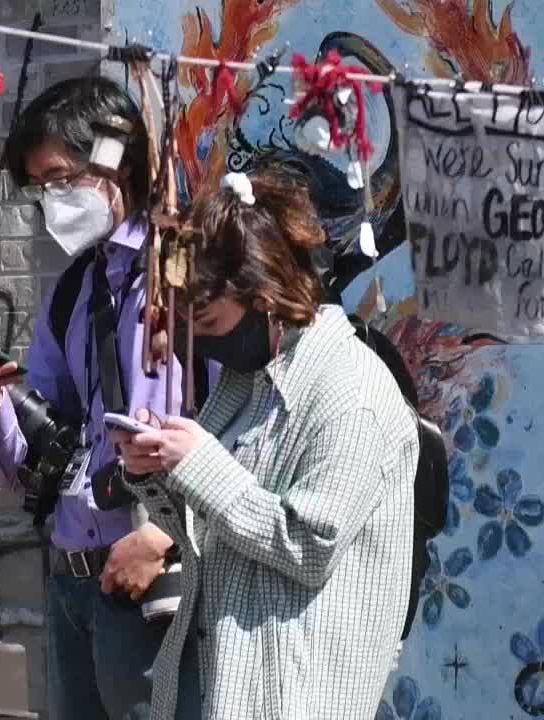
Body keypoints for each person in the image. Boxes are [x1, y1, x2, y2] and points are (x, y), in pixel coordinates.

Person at [111, 168, 418, 720]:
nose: (196, 338)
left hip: (293, 695)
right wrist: (157, 470)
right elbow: (217, 531)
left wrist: (203, 464)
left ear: (265, 294)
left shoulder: (351, 391)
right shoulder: (247, 381)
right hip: (223, 679)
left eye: (204, 318)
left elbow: (308, 544)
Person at [0, 75, 184, 720]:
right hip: (70, 576)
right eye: (41, 189)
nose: (54, 202)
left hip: (150, 572)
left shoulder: (183, 276)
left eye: (62, 179)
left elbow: (233, 427)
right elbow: (29, 459)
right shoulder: (74, 289)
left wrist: (163, 535)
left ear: (114, 159)